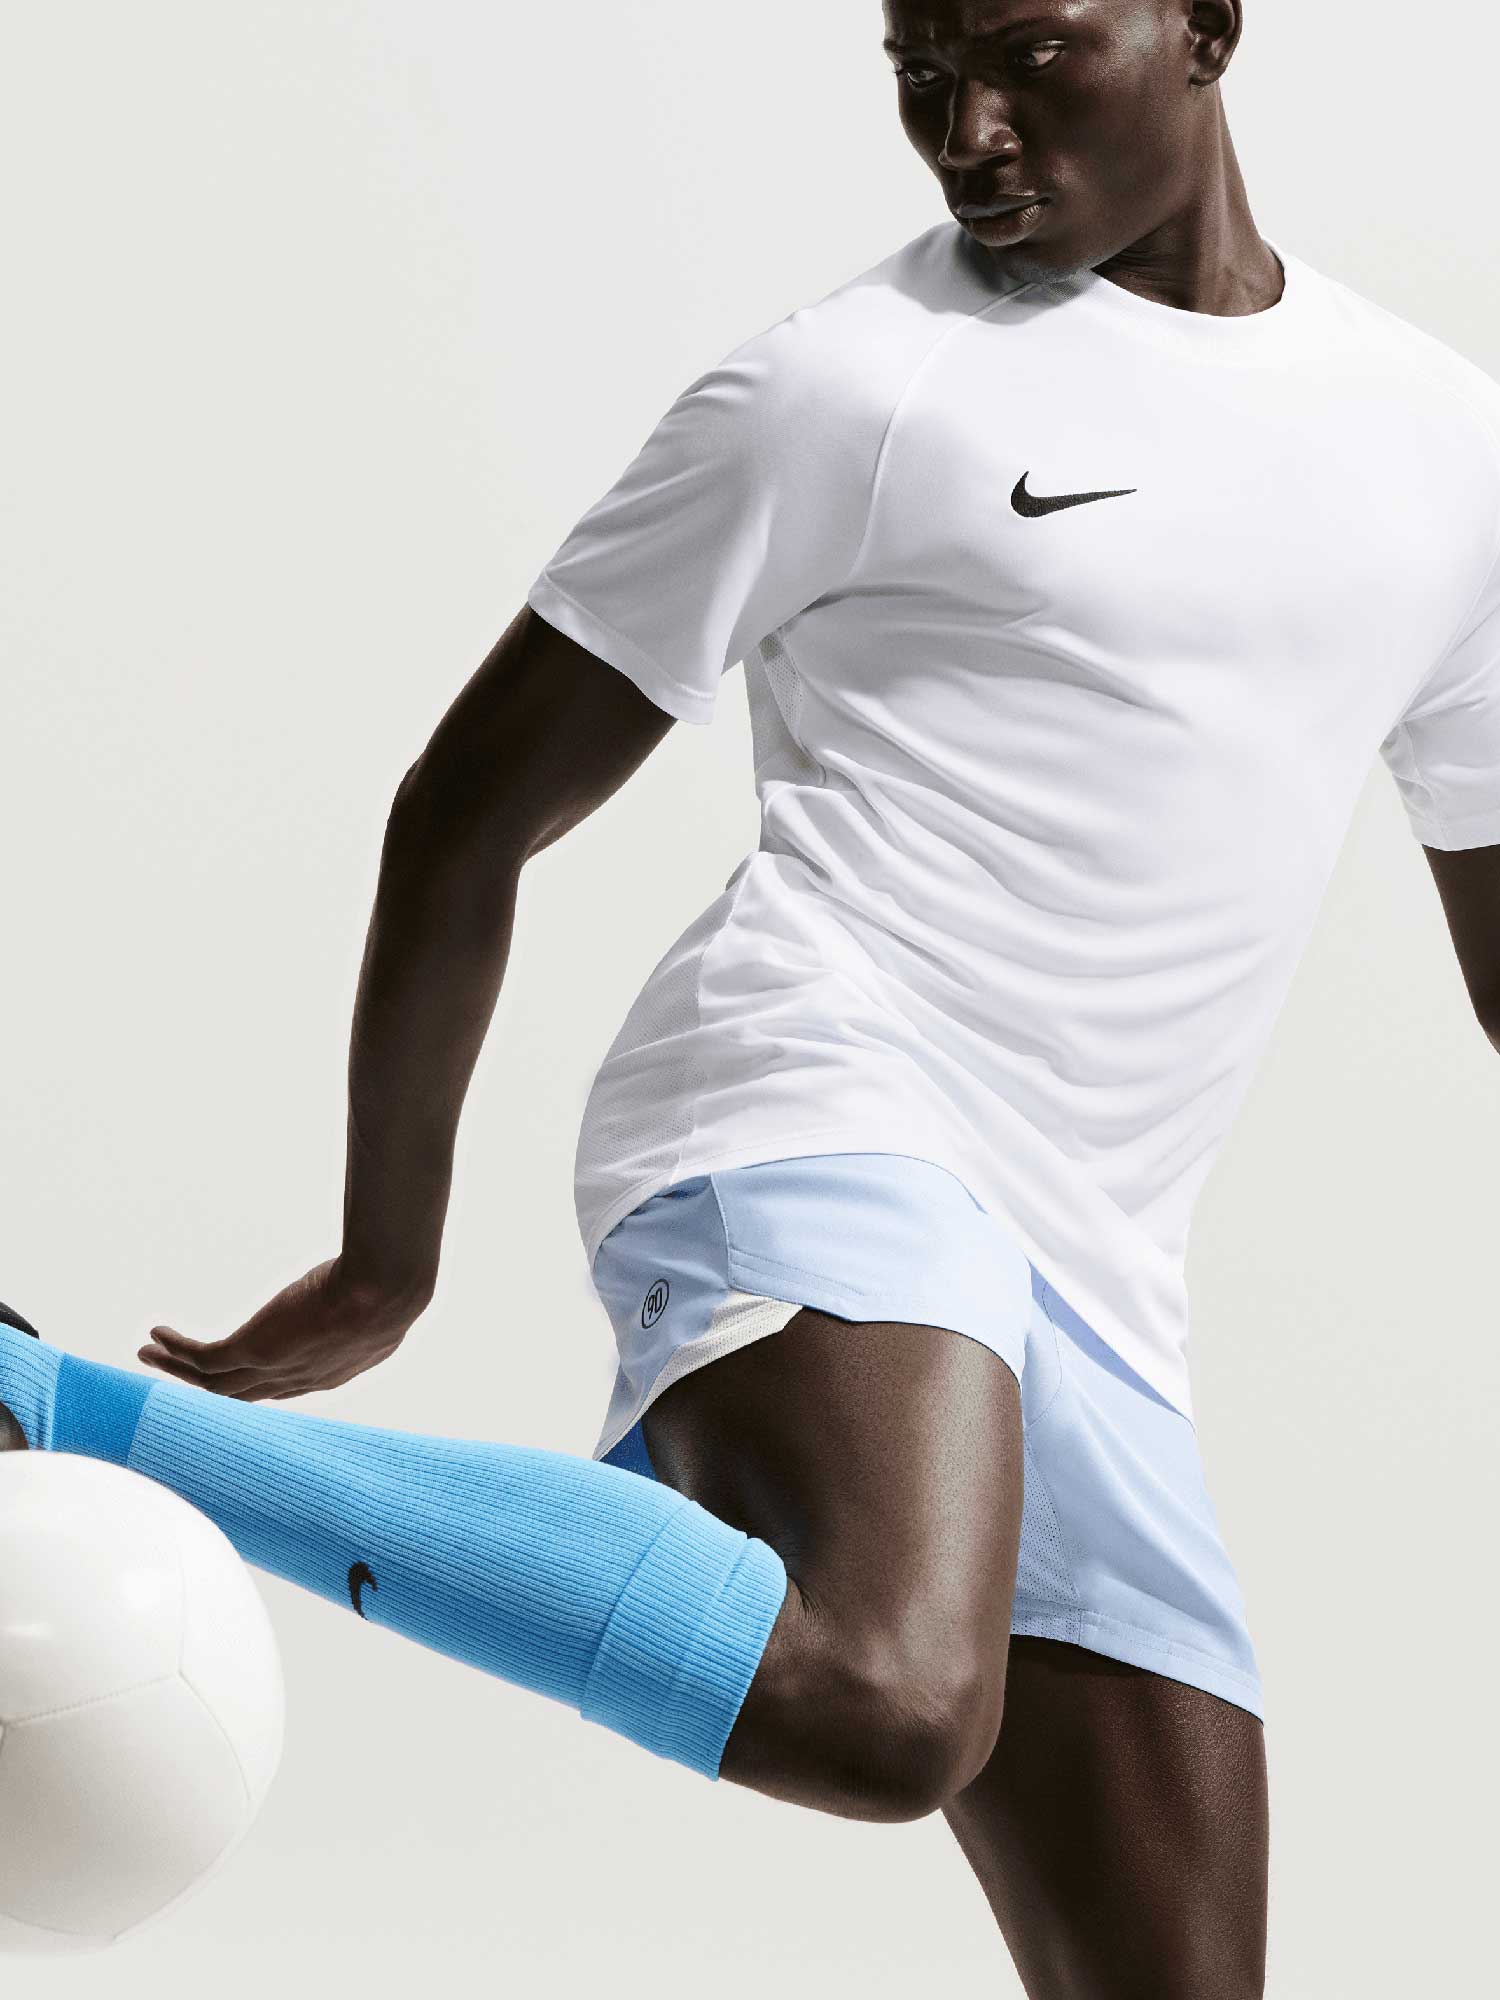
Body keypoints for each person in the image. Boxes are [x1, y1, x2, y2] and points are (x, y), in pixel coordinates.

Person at [5, 3, 1500, 1992]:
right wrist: (388, 1256)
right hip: (822, 1090)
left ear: (1207, 22)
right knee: (886, 1699)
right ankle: (49, 1409)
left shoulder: (1443, 448)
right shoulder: (853, 387)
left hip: (1107, 1258)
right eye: (917, 73)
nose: (967, 129)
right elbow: (465, 813)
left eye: (1029, 53)